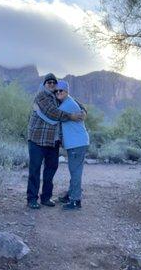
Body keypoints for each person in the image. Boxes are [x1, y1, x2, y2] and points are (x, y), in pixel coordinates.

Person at [26, 73, 85, 209]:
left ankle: (46, 197)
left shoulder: (57, 97)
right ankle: (32, 199)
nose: (52, 84)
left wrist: (83, 111)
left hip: (53, 142)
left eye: (54, 82)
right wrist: (71, 116)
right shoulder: (41, 96)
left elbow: (75, 102)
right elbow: (52, 113)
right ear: (44, 84)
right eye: (49, 82)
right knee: (34, 170)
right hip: (37, 140)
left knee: (51, 169)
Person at [55, 80, 89, 210]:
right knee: (74, 170)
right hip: (76, 143)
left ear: (67, 92)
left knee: (75, 172)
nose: (58, 93)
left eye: (61, 91)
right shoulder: (67, 101)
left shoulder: (67, 105)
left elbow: (54, 114)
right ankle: (71, 195)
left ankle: (75, 200)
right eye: (56, 91)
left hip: (77, 143)